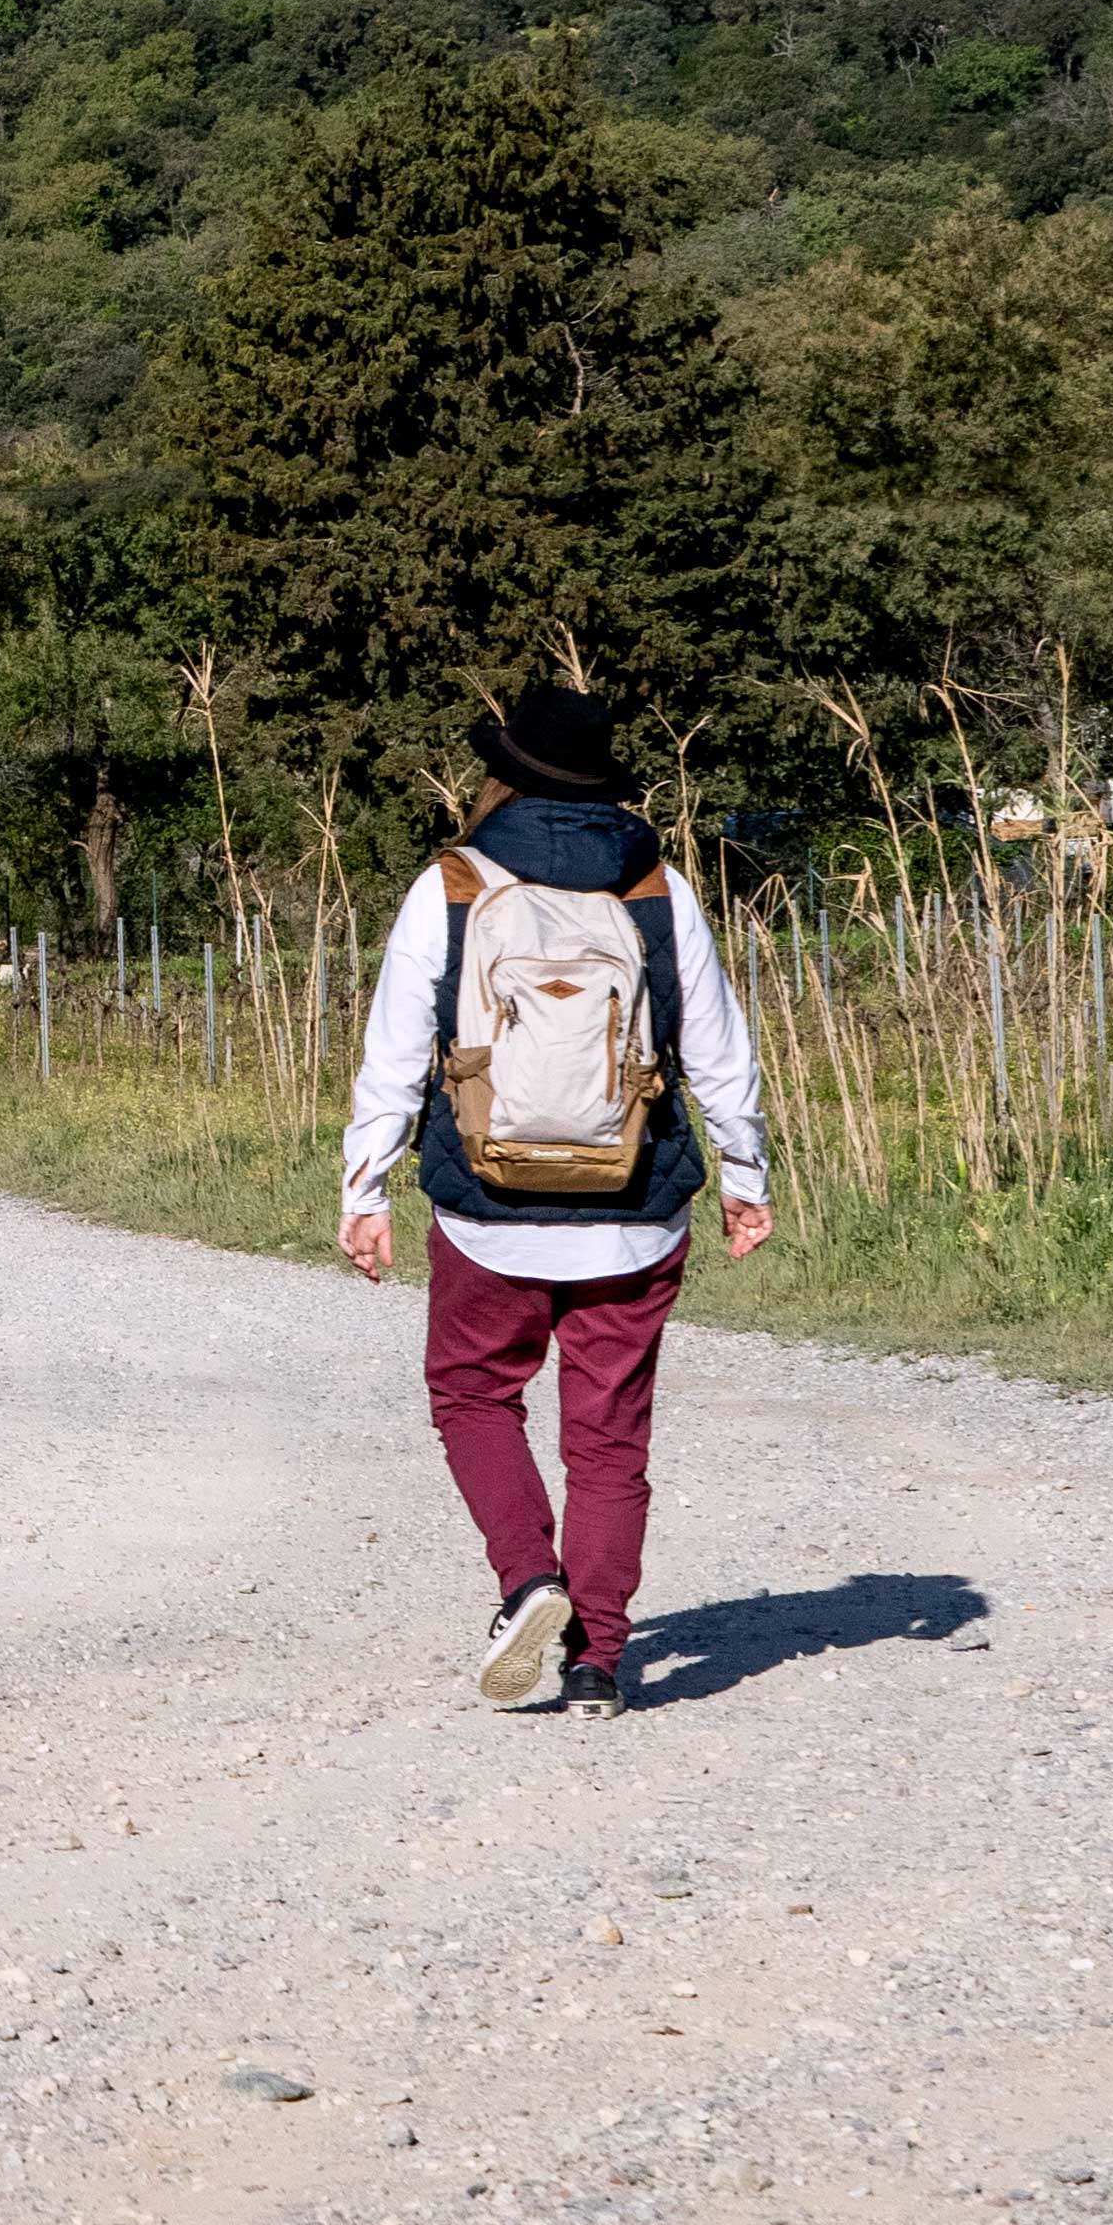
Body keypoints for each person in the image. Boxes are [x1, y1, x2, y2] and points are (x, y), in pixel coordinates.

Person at [335, 685, 769, 1715]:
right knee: (608, 1436)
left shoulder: (449, 883)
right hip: (633, 1207)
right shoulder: (652, 884)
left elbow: (394, 1052)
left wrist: (365, 1187)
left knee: (472, 1395)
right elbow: (714, 1045)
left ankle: (529, 1579)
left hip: (486, 1208)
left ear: (501, 772)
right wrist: (743, 1180)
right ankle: (597, 1662)